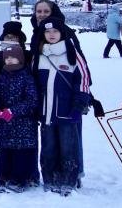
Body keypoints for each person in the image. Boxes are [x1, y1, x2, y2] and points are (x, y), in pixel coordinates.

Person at [34, 17, 92, 196]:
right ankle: (50, 179)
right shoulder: (39, 54)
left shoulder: (72, 53)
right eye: (47, 32)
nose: (51, 35)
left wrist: (78, 106)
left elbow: (83, 81)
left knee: (68, 148)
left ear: (62, 33)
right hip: (46, 113)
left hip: (67, 112)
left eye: (55, 32)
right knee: (48, 148)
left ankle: (69, 180)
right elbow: (34, 84)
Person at [0, 44, 39, 193]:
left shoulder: (27, 77)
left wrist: (14, 111)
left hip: (23, 124)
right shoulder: (0, 77)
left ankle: (19, 180)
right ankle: (3, 177)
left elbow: (32, 100)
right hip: (5, 125)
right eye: (7, 58)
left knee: (20, 154)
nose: (10, 60)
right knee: (5, 152)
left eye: (13, 57)